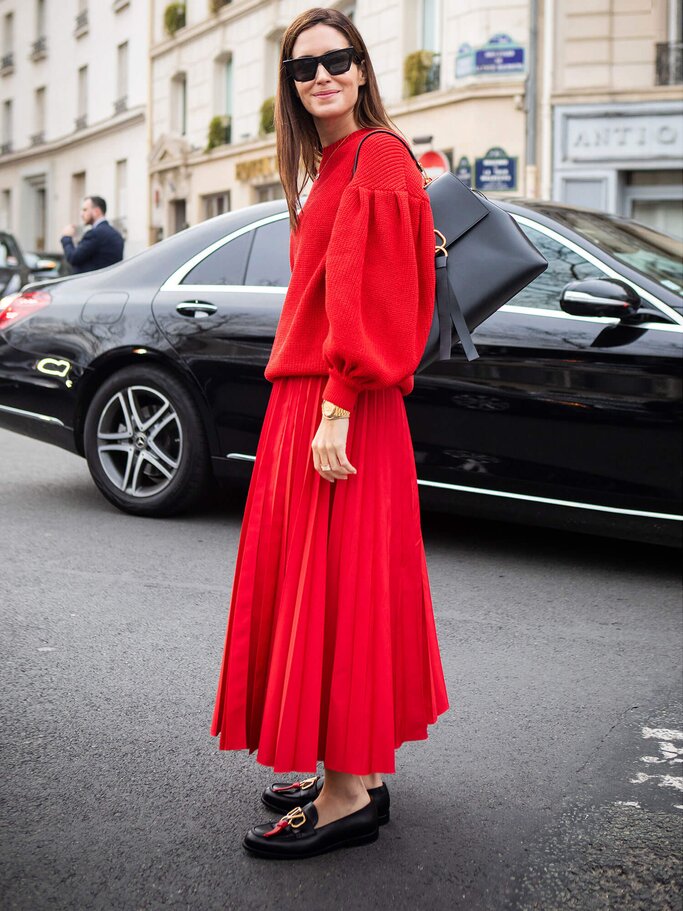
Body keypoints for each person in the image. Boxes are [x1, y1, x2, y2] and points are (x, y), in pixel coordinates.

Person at [210, 7, 450, 859]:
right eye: (305, 67)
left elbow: (372, 291)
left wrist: (338, 404)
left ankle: (347, 796)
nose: (322, 76)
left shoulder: (377, 153)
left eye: (338, 59)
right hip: (319, 398)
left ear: (361, 66)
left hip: (334, 403)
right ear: (290, 86)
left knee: (336, 582)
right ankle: (357, 774)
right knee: (338, 584)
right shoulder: (335, 160)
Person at [60, 196, 124, 274]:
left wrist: (67, 237)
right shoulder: (116, 234)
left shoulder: (95, 234)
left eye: (85, 210)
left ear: (96, 211)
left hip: (92, 283)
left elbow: (73, 258)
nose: (82, 214)